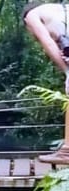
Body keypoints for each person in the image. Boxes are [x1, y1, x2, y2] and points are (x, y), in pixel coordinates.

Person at [24, 1, 69, 164]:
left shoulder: (31, 16)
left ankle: (67, 152)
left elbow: (47, 42)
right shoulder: (58, 11)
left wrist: (67, 72)